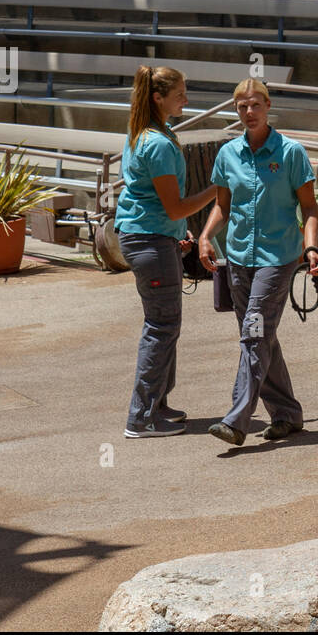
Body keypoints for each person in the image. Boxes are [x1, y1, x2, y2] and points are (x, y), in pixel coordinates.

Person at [197, 78, 318, 446]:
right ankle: (287, 414)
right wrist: (206, 237)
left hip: (277, 257)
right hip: (237, 258)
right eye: (241, 107)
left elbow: (310, 207)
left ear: (268, 106)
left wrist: (312, 247)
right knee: (262, 337)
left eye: (255, 105)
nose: (248, 113)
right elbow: (223, 205)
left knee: (253, 334)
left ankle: (237, 419)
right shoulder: (228, 154)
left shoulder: (290, 153)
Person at [116, 65, 219, 439]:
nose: (186, 100)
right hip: (148, 241)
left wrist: (177, 233)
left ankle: (157, 404)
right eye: (180, 95)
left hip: (151, 237)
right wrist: (217, 190)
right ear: (158, 98)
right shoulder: (157, 143)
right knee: (161, 327)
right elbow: (174, 207)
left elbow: (162, 208)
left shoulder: (145, 134)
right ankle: (141, 417)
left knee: (164, 326)